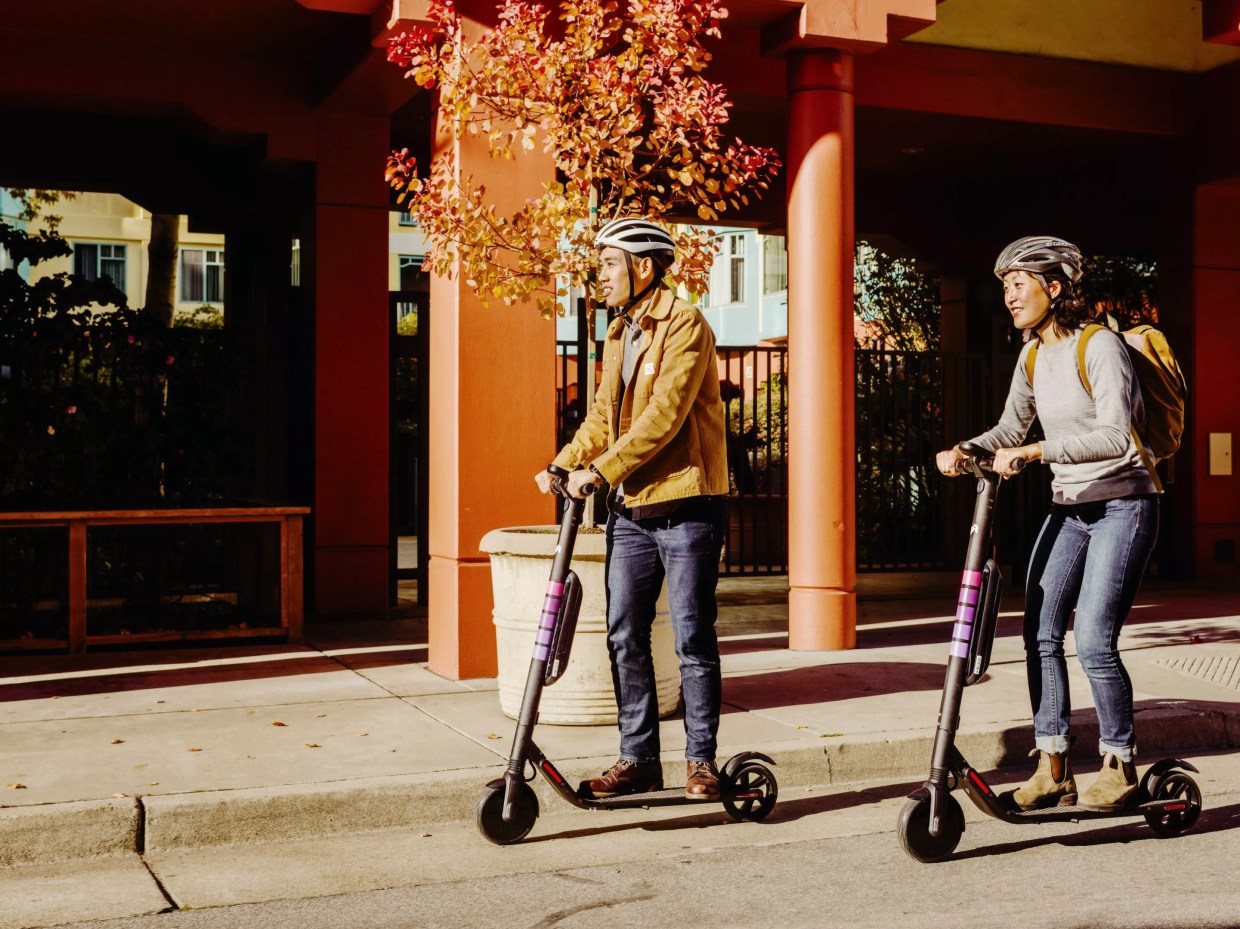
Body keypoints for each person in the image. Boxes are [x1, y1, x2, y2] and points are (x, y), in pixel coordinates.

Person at [935, 236, 1159, 813]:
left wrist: (1038, 453)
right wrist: (965, 447)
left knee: (1092, 640)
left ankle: (1118, 762)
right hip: (1070, 507)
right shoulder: (1033, 355)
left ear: (1054, 288)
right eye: (1005, 285)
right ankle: (1053, 763)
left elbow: (1118, 436)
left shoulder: (1099, 345)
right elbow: (1011, 428)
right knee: (1039, 631)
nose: (1008, 296)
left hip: (1123, 504)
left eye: (1018, 284)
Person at [535, 217, 729, 800]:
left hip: (688, 503)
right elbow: (602, 416)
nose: (601, 276)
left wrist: (601, 472)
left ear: (643, 268)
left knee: (692, 636)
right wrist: (564, 463)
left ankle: (702, 762)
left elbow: (664, 418)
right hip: (631, 512)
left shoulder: (686, 324)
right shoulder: (618, 332)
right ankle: (639, 757)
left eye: (609, 264)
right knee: (624, 634)